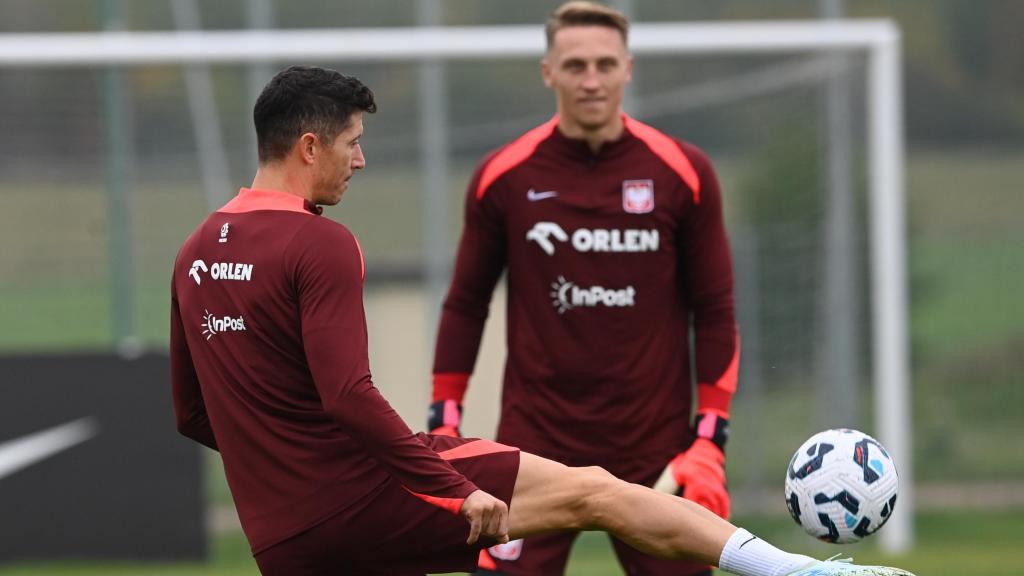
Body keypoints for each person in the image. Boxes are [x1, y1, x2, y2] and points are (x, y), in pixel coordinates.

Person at [171, 64, 915, 576]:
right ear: (309, 146)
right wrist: (452, 488)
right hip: (363, 496)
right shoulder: (319, 240)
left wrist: (281, 462)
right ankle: (795, 569)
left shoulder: (195, 252)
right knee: (600, 491)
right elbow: (347, 394)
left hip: (279, 536)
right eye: (352, 143)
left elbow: (195, 415)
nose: (358, 162)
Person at [430, 2, 735, 573]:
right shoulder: (505, 176)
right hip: (535, 447)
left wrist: (709, 439)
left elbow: (715, 310)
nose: (590, 80)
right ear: (548, 72)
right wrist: (445, 419)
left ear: (628, 68)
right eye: (575, 66)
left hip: (656, 450)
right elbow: (466, 305)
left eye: (603, 64)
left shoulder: (684, 173)